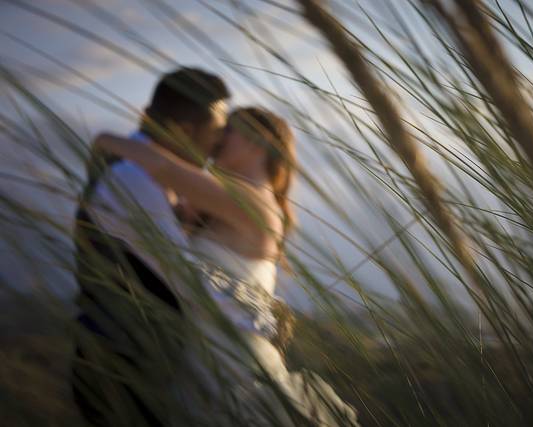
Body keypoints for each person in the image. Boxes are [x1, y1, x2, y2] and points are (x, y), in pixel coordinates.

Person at [91, 107, 360, 426]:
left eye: (228, 130)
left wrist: (105, 139)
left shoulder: (257, 202)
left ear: (258, 141)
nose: (217, 136)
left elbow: (161, 167)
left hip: (238, 377)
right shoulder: (226, 206)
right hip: (208, 371)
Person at [71, 66, 230, 426]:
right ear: (182, 131)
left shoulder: (141, 170)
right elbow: (188, 281)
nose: (219, 144)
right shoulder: (132, 178)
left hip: (135, 366)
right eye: (216, 132)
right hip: (122, 372)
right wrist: (261, 311)